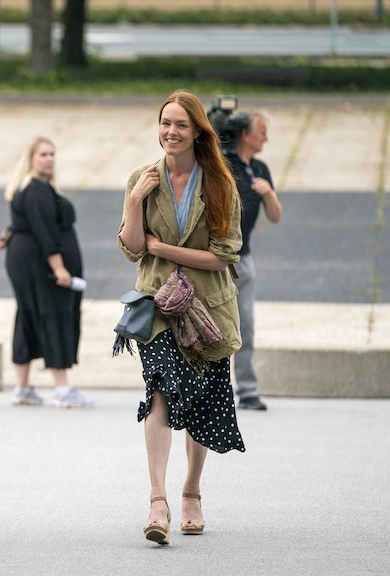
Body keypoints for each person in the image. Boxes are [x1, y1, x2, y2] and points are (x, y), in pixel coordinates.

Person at [117, 89, 246, 546]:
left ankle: (191, 490)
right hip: (156, 307)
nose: (170, 132)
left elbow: (223, 257)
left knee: (204, 401)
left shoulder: (220, 184)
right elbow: (132, 246)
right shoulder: (142, 177)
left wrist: (163, 248)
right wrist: (135, 202)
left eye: (180, 125)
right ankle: (158, 500)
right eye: (165, 123)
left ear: (197, 133)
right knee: (160, 394)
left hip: (207, 309)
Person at [2, 136, 91, 409]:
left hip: (24, 258)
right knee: (53, 313)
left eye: (52, 154)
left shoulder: (28, 188)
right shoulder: (37, 189)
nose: (49, 159)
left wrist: (9, 233)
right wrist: (59, 267)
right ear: (30, 159)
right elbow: (44, 230)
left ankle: (22, 388)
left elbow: (24, 222)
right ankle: (62, 389)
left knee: (29, 314)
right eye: (43, 154)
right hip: (39, 263)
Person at [229, 112, 283, 411]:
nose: (266, 137)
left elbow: (275, 216)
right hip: (218, 260)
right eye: (261, 131)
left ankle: (247, 390)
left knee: (246, 325)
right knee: (215, 327)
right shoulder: (224, 165)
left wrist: (269, 193)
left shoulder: (260, 169)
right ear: (246, 134)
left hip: (244, 259)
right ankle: (213, 388)